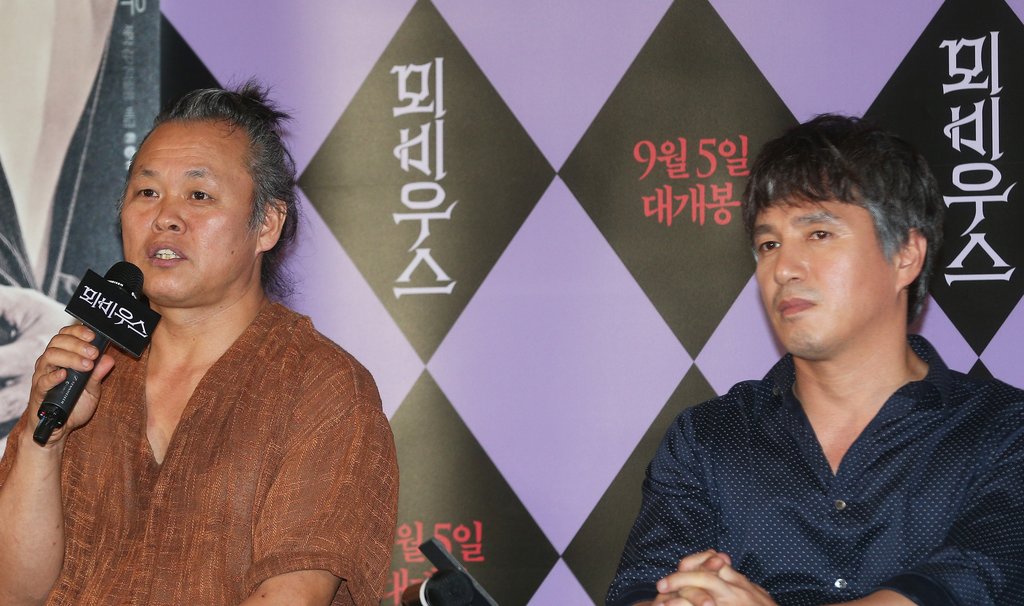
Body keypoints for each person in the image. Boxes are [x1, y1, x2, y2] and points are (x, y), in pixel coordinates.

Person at [0, 83, 399, 605]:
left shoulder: (322, 385)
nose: (165, 216)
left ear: (267, 224)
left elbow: (293, 595)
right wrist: (43, 438)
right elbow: (15, 592)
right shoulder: (85, 365)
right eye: (147, 193)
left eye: (199, 195)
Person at [607, 115, 1024, 606]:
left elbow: (966, 586)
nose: (784, 268)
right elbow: (642, 586)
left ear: (906, 256)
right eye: (768, 244)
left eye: (819, 234)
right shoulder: (708, 438)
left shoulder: (1003, 430)